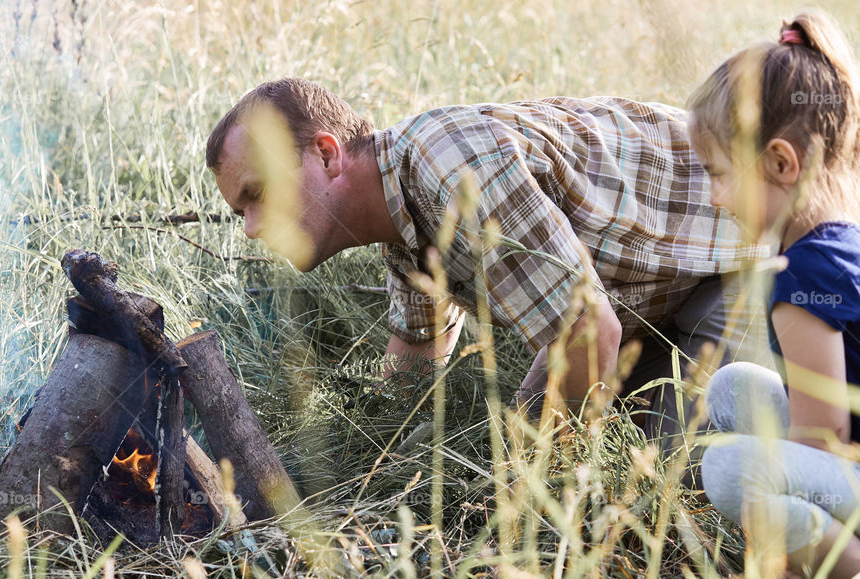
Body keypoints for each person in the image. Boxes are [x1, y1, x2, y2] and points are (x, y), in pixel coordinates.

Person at [204, 77, 766, 453]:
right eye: (240, 212)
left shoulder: (450, 171)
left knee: (679, 473)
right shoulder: (401, 219)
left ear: (326, 154)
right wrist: (367, 452)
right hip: (653, 301)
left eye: (257, 194)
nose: (253, 227)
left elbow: (588, 335)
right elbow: (415, 366)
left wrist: (529, 496)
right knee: (531, 440)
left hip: (742, 258)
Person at [689, 10, 860, 579]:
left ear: (780, 163)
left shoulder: (803, 278)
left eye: (719, 174)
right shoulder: (843, 240)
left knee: (729, 466)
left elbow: (822, 436)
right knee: (734, 387)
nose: (715, 198)